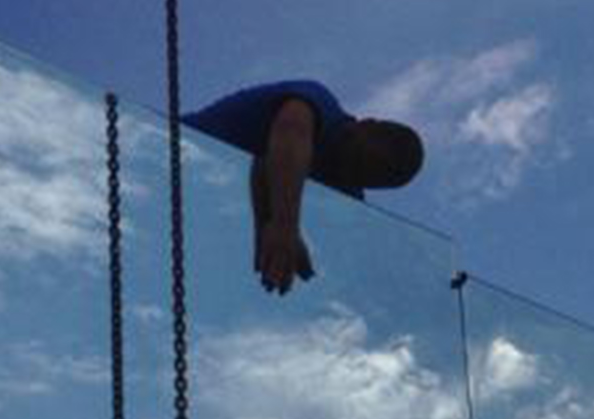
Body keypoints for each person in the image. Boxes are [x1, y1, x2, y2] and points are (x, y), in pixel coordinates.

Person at [182, 80, 425, 295]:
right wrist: (283, 226)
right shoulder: (318, 102)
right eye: (358, 160)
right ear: (365, 124)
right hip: (169, 154)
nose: (348, 174)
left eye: (362, 178)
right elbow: (287, 134)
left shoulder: (344, 189)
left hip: (194, 223)